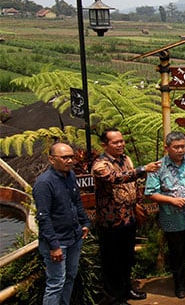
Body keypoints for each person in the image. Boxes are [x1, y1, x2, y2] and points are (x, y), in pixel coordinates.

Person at [91, 128, 162, 305]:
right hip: (111, 221)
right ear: (104, 145)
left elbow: (133, 185)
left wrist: (138, 202)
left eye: (122, 141)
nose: (121, 144)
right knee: (112, 260)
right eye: (116, 142)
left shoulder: (125, 159)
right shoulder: (100, 165)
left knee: (127, 257)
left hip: (128, 218)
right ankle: (114, 297)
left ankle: (127, 289)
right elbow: (116, 178)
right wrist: (143, 169)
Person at [145, 131, 185, 300]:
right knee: (177, 253)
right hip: (172, 219)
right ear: (167, 148)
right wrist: (170, 200)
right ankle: (180, 285)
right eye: (176, 147)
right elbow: (151, 193)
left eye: (183, 146)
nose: (181, 150)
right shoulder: (157, 167)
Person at [33, 142, 91, 305]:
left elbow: (76, 202)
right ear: (52, 160)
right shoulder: (44, 184)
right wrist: (54, 245)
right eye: (64, 157)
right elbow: (43, 217)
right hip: (57, 242)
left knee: (70, 277)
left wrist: (85, 222)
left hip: (74, 237)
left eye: (71, 157)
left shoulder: (70, 176)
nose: (70, 161)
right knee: (56, 283)